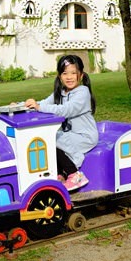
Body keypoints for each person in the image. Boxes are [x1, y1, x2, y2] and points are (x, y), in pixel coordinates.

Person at [24, 55, 98, 191]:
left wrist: (40, 107)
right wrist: (22, 105)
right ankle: (60, 174)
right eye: (65, 73)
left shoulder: (83, 92)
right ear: (59, 76)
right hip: (69, 134)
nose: (69, 77)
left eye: (73, 73)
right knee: (47, 140)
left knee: (52, 138)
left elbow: (66, 110)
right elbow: (43, 103)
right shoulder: (60, 93)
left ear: (81, 75)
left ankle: (75, 174)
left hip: (84, 136)